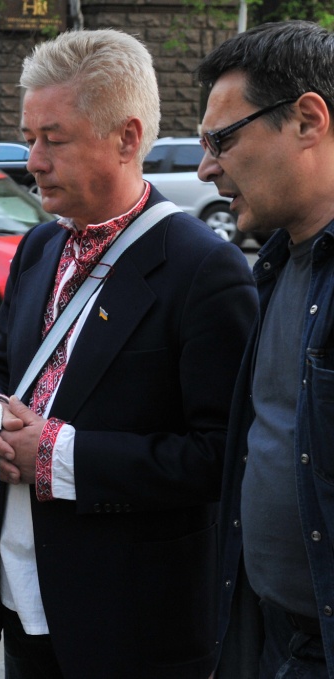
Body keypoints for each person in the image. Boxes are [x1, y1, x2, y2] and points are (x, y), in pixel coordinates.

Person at [0, 29, 257, 678]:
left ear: (126, 138)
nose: (32, 159)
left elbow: (220, 457)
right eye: (28, 136)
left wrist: (60, 456)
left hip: (136, 631)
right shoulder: (38, 246)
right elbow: (0, 363)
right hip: (23, 607)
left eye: (52, 139)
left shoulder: (207, 272)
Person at [195, 21, 334, 679]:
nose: (206, 167)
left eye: (223, 139)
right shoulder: (275, 266)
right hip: (272, 634)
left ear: (308, 120)